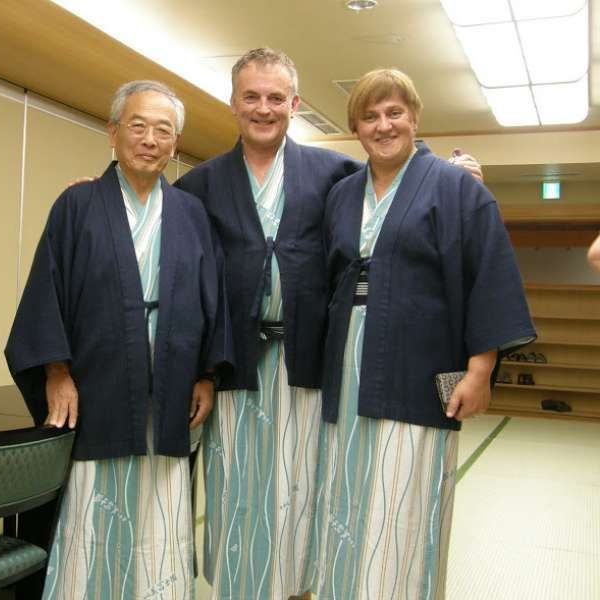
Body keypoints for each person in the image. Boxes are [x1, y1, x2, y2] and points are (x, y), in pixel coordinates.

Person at [174, 49, 483, 600]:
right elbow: (181, 278)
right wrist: (104, 182)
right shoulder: (198, 186)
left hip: (315, 364)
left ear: (295, 104)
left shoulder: (335, 174)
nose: (263, 108)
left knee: (313, 487)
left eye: (275, 97)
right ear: (232, 102)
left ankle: (306, 589)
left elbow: (401, 187)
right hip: (236, 368)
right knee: (239, 488)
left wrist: (459, 180)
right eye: (251, 96)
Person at [309, 68, 536, 599]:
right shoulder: (343, 193)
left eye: (394, 113)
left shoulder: (458, 188)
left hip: (421, 359)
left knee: (406, 494)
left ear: (414, 117)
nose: (383, 125)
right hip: (348, 359)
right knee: (345, 489)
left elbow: (488, 276)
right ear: (355, 127)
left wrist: (481, 369)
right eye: (369, 116)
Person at [5, 80, 232, 600]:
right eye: (138, 125)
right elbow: (47, 290)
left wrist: (206, 374)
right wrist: (56, 372)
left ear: (175, 144)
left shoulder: (192, 214)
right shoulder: (77, 204)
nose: (150, 139)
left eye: (163, 130)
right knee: (93, 504)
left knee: (162, 505)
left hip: (172, 384)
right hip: (98, 381)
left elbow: (211, 297)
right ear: (112, 133)